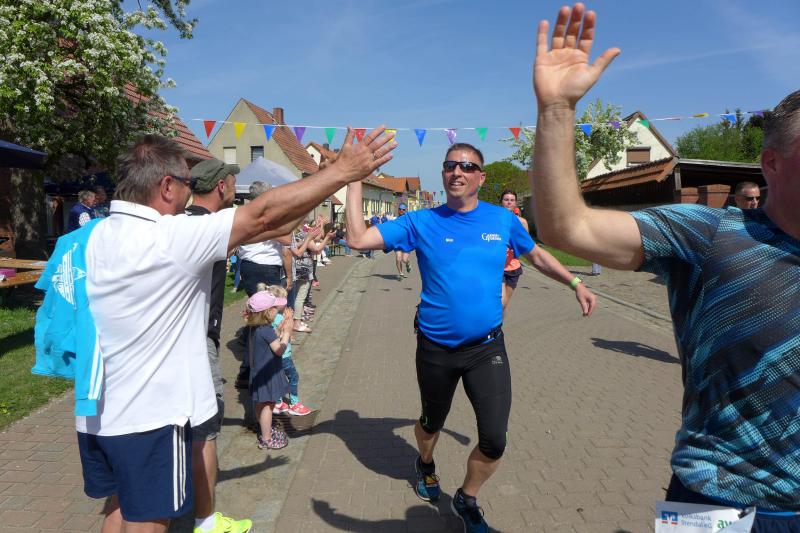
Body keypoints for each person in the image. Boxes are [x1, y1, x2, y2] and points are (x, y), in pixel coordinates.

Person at [531, 4, 800, 529]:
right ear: (773, 163)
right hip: (719, 505)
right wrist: (557, 110)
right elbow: (569, 229)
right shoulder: (711, 234)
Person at [57, 127, 394, 532]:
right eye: (186, 183)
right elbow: (262, 215)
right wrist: (341, 173)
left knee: (119, 507)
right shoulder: (169, 237)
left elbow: (270, 226)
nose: (189, 192)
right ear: (166, 186)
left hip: (97, 410)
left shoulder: (90, 236)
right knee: (149, 520)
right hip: (150, 414)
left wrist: (322, 181)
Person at [345, 142, 597, 533]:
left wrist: (575, 282)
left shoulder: (503, 220)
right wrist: (353, 179)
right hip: (435, 349)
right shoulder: (421, 222)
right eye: (450, 165)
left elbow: (537, 256)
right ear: (443, 173)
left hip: (486, 348)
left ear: (481, 177)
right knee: (431, 424)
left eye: (467, 166)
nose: (457, 172)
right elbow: (358, 239)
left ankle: (466, 497)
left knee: (495, 440)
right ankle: (425, 463)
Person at [185, 158, 251, 533]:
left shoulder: (181, 222)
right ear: (222, 186)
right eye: (233, 182)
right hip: (197, 340)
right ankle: (206, 521)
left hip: (183, 336)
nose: (236, 189)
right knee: (205, 429)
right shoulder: (211, 226)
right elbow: (270, 221)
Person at [243, 290, 292, 449]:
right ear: (267, 312)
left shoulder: (256, 328)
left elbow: (267, 342)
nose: (277, 311)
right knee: (268, 406)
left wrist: (279, 330)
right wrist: (287, 333)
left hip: (258, 373)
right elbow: (279, 350)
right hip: (267, 374)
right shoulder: (266, 330)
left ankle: (265, 429)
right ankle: (266, 439)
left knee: (261, 404)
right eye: (275, 309)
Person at [261, 284, 312, 416]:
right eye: (284, 300)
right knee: (293, 377)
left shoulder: (268, 317)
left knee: (278, 378)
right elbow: (281, 332)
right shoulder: (279, 318)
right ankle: (294, 404)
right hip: (283, 356)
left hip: (273, 355)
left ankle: (278, 402)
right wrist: (288, 319)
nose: (287, 303)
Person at [394, 203, 412, 281]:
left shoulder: (408, 220)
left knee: (404, 260)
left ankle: (408, 262)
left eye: (403, 209)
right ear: (398, 210)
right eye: (400, 209)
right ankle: (401, 273)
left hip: (406, 242)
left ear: (405, 210)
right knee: (398, 258)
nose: (401, 210)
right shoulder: (395, 220)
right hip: (398, 242)